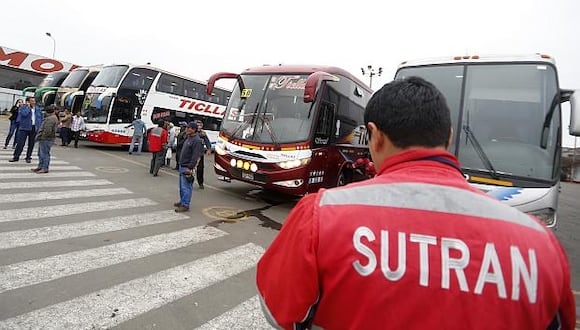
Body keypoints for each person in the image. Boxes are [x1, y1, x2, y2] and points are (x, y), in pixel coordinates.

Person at [256, 77, 576, 330]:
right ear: (448, 137)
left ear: (374, 136)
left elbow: (278, 312)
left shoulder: (320, 216)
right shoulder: (539, 245)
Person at [174, 121, 204, 212]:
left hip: (187, 166)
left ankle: (185, 205)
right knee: (182, 186)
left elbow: (195, 156)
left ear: (194, 130)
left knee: (186, 186)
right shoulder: (188, 137)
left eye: (188, 128)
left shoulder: (196, 140)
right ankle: (182, 201)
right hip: (182, 165)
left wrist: (190, 167)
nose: (186, 129)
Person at [9, 96, 43, 163]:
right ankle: (16, 157)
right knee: (20, 143)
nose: (34, 102)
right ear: (28, 101)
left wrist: (39, 127)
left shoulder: (38, 109)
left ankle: (28, 157)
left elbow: (40, 118)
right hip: (24, 128)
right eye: (32, 101)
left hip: (33, 128)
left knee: (31, 144)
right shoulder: (23, 108)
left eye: (34, 101)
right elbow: (24, 114)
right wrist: (28, 107)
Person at [31, 104, 58, 174]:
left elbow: (48, 130)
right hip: (46, 138)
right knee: (40, 153)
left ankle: (44, 168)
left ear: (47, 112)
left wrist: (42, 137)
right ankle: (40, 166)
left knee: (44, 154)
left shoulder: (51, 119)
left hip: (46, 139)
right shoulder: (52, 117)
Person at [195, 120, 212, 189]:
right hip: (192, 154)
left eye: (200, 125)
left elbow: (207, 142)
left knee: (200, 169)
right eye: (198, 125)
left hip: (200, 154)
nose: (199, 127)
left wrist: (209, 149)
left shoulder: (203, 133)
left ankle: (200, 183)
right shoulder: (193, 132)